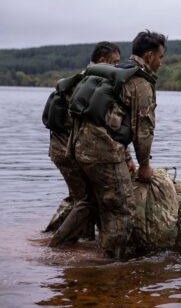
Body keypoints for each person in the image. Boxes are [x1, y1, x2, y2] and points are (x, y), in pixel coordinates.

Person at [49, 30, 166, 259]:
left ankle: (55, 248)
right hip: (102, 150)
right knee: (121, 207)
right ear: (150, 55)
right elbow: (143, 130)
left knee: (89, 200)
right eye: (161, 57)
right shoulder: (140, 82)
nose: (161, 63)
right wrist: (144, 165)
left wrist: (126, 158)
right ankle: (110, 265)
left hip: (76, 146)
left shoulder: (116, 71)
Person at [44, 41, 121, 238]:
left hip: (61, 148)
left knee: (80, 198)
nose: (117, 67)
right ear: (103, 60)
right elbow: (98, 124)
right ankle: (59, 243)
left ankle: (58, 236)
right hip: (69, 150)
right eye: (115, 62)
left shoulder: (80, 79)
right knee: (87, 200)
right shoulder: (91, 84)